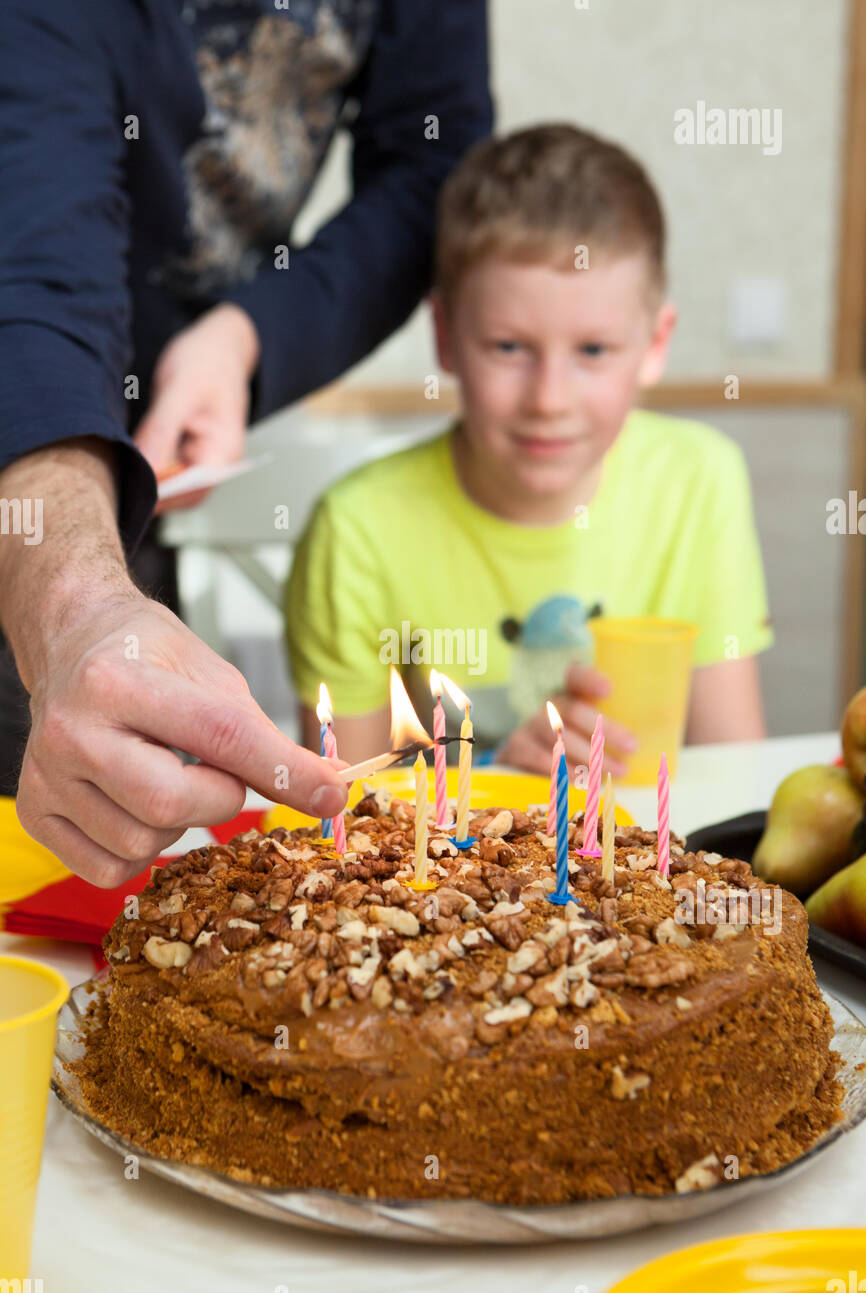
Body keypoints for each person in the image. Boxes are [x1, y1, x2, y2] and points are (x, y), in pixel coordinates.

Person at [0, 0, 492, 885]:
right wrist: (77, 613)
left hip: (133, 468)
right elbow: (33, 268)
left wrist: (246, 335)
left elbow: (431, 164)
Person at [287, 123, 773, 776]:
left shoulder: (700, 480)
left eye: (593, 351)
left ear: (655, 344)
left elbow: (730, 773)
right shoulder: (355, 530)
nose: (548, 399)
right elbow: (338, 813)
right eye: (509, 347)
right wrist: (494, 777)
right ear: (446, 339)